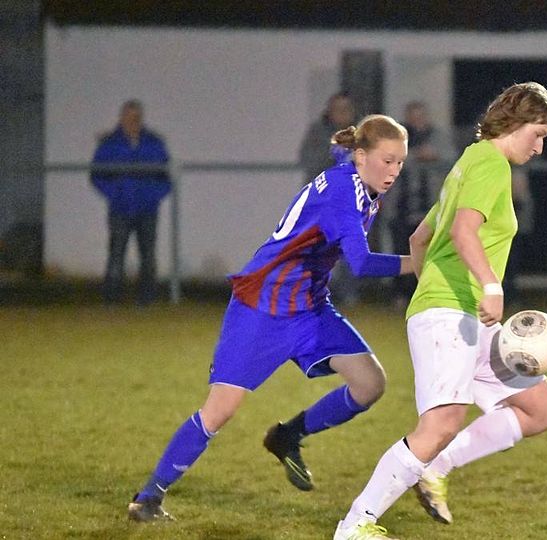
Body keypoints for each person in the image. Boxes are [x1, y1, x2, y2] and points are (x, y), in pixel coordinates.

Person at [127, 115, 416, 522]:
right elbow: (361, 263)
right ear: (362, 157)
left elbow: (340, 152)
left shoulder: (357, 175)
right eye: (387, 160)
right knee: (220, 410)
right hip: (263, 307)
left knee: (370, 384)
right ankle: (149, 497)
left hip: (310, 306)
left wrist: (345, 147)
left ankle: (287, 436)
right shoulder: (343, 193)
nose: (394, 171)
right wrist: (417, 262)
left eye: (400, 162)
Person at [333, 82, 547, 540]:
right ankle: (355, 525)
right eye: (537, 134)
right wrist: (486, 286)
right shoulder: (490, 163)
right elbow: (462, 231)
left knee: (540, 409)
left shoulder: (469, 162)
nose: (539, 147)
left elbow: (420, 238)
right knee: (440, 423)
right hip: (453, 312)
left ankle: (437, 465)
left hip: (466, 314)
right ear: (515, 123)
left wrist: (436, 290)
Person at [90, 99, 170, 305]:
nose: (132, 121)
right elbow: (96, 175)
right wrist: (114, 193)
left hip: (147, 210)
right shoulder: (110, 144)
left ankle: (146, 300)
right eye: (128, 117)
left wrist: (153, 196)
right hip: (120, 208)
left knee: (148, 256)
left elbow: (166, 176)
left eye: (136, 118)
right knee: (116, 255)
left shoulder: (154, 143)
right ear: (122, 118)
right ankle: (111, 299)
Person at [299, 92, 362, 306]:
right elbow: (307, 159)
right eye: (338, 109)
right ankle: (312, 292)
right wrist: (334, 153)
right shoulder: (318, 133)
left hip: (353, 202)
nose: (342, 114)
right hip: (324, 200)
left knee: (350, 248)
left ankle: (349, 295)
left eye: (346, 109)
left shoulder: (364, 133)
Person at [389, 101, 452, 309]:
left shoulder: (439, 138)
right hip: (403, 206)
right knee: (401, 251)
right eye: (413, 117)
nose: (417, 121)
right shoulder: (397, 139)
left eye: (420, 116)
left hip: (432, 206)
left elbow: (453, 160)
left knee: (431, 251)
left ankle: (428, 294)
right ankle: (401, 294)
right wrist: (414, 156)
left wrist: (436, 156)